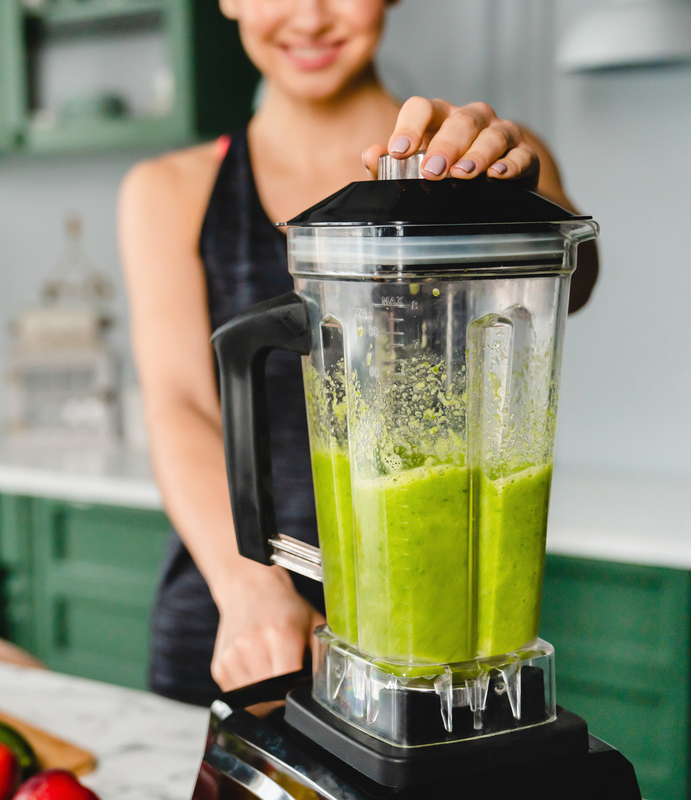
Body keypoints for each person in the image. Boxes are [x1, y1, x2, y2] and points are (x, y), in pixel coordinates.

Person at [118, 0, 599, 707]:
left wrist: (520, 205)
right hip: (239, 624)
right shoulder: (170, 190)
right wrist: (253, 589)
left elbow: (574, 278)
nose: (309, 17)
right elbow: (180, 404)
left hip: (447, 631)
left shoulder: (481, 160)